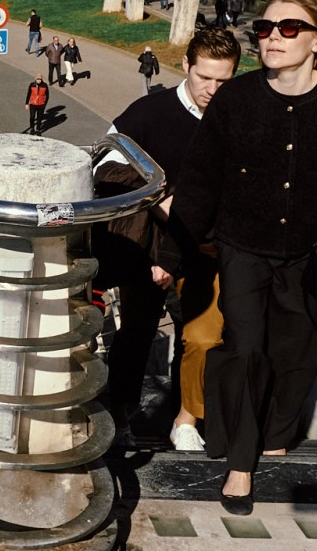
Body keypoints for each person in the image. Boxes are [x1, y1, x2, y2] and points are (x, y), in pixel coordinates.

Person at [164, 0, 317, 514]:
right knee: (244, 349)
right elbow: (198, 182)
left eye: (288, 29)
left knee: (298, 352)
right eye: (265, 29)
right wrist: (170, 258)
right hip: (243, 249)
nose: (272, 38)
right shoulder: (237, 100)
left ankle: (275, 432)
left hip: (310, 251)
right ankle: (240, 464)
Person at [98, 30, 241, 450]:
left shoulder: (236, 118)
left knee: (199, 336)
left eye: (224, 81)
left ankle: (186, 420)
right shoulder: (149, 112)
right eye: (205, 79)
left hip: (205, 249)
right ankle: (120, 416)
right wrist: (162, 198)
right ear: (186, 66)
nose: (213, 91)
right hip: (148, 248)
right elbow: (106, 166)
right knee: (136, 333)